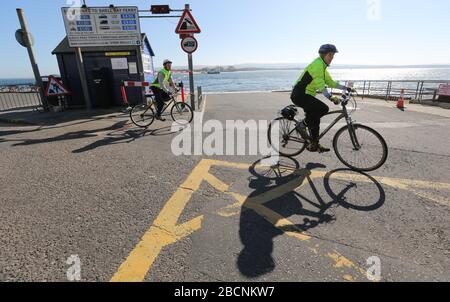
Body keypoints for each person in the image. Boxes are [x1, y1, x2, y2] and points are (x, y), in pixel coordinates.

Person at [291, 44, 354, 153]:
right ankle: (301, 125)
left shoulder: (323, 67)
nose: (332, 58)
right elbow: (322, 86)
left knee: (315, 119)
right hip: (300, 94)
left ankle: (314, 144)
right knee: (323, 108)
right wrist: (331, 97)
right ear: (323, 54)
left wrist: (346, 88)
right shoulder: (317, 65)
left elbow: (331, 82)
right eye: (330, 55)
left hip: (307, 95)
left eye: (333, 56)